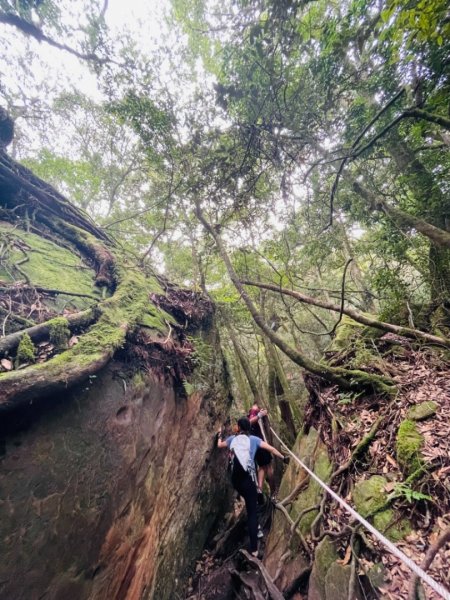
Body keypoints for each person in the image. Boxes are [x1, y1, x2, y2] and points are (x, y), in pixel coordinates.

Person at [217, 416, 287, 556]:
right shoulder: (254, 440)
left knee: (250, 499)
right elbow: (271, 449)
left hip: (235, 481)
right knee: (252, 512)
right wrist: (283, 458)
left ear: (239, 427)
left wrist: (219, 434)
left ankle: (257, 526)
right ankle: (254, 549)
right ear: (249, 427)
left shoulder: (232, 439)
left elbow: (219, 445)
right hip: (248, 481)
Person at [248, 403, 275, 496]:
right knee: (269, 467)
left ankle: (260, 489)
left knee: (262, 467)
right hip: (259, 444)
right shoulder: (253, 412)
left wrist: (261, 414)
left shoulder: (251, 415)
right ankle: (273, 492)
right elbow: (250, 421)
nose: (256, 407)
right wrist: (260, 414)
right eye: (255, 406)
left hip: (254, 445)